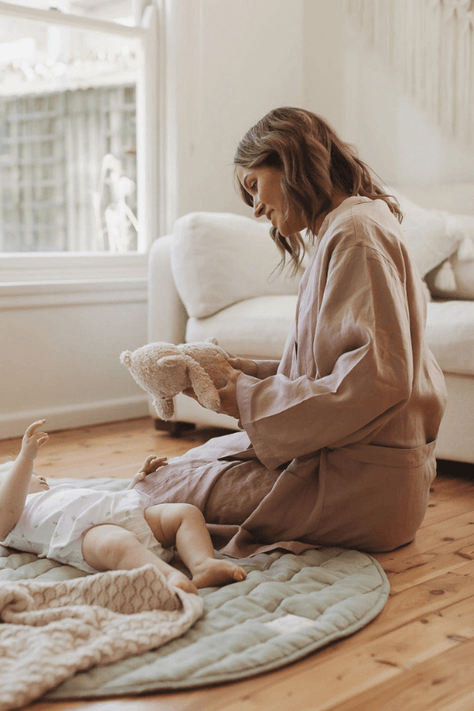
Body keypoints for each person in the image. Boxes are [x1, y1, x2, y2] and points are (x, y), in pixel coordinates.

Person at [135, 106, 447, 558]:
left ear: (289, 159)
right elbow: (336, 369)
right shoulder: (349, 228)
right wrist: (249, 375)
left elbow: (373, 384)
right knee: (191, 461)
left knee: (153, 490)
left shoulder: (356, 235)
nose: (258, 208)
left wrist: (242, 395)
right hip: (367, 473)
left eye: (254, 186)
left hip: (359, 487)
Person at [0, 419, 247, 594]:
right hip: (87, 539)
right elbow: (11, 501)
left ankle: (202, 564)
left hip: (127, 516)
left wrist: (136, 481)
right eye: (19, 473)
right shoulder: (6, 524)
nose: (40, 476)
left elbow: (101, 503)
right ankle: (169, 576)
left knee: (185, 512)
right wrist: (25, 459)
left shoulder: (59, 492)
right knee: (117, 543)